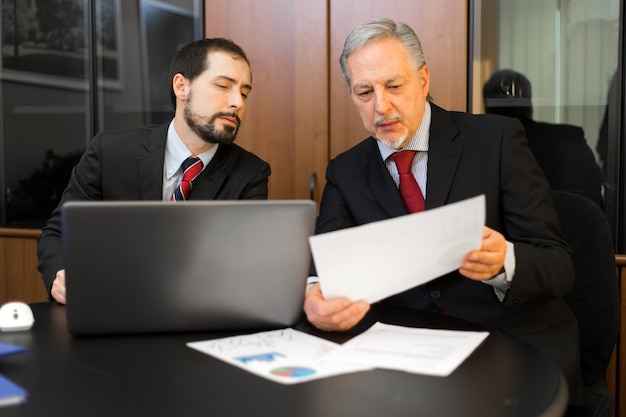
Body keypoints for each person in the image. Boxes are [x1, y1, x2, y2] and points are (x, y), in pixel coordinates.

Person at [303, 18, 582, 406]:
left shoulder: (496, 140)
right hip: (404, 354)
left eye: (394, 86)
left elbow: (559, 265)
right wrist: (315, 292)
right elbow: (326, 260)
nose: (381, 106)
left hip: (507, 342)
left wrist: (505, 262)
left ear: (424, 79)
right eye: (364, 91)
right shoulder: (345, 170)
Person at [37, 38, 271, 305]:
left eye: (244, 93)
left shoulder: (251, 174)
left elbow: (243, 265)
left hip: (196, 313)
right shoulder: (110, 152)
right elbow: (57, 234)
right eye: (223, 86)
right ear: (182, 86)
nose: (237, 102)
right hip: (108, 306)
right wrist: (61, 274)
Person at [483, 69, 605, 207]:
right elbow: (599, 195)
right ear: (530, 107)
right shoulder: (570, 138)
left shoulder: (483, 150)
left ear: (487, 111)